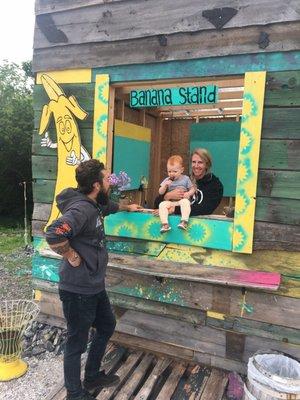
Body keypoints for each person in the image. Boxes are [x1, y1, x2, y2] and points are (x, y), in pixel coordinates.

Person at [45, 159, 141, 400]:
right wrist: (70, 254)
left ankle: (92, 375)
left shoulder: (93, 205)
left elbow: (105, 209)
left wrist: (127, 208)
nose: (110, 181)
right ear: (97, 185)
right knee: (76, 343)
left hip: (93, 286)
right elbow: (53, 232)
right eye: (107, 179)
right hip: (78, 288)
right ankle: (74, 394)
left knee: (107, 325)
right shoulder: (81, 210)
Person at [154, 148, 223, 217]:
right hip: (174, 223)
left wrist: (175, 209)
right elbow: (156, 205)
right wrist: (167, 196)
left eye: (200, 162)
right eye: (193, 162)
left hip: (199, 225)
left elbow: (206, 209)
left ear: (207, 164)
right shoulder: (184, 179)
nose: (196, 166)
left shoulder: (215, 184)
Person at [158, 155, 195, 232]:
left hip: (181, 201)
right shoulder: (167, 180)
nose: (172, 174)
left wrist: (188, 194)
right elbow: (160, 192)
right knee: (162, 205)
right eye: (169, 171)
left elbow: (193, 189)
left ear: (182, 170)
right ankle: (165, 224)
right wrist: (165, 186)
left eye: (175, 171)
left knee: (186, 202)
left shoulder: (185, 179)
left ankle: (184, 222)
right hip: (171, 202)